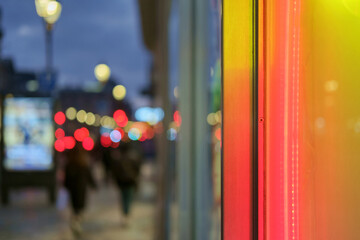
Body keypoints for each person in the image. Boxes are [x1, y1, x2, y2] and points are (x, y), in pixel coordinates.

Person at [64, 143, 96, 236]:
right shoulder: (83, 163)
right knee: (80, 207)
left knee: (75, 207)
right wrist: (93, 185)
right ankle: (77, 222)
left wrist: (66, 186)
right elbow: (89, 176)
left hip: (73, 189)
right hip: (81, 189)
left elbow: (66, 179)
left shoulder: (69, 164)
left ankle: (75, 221)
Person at [110, 142, 142, 227]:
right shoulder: (132, 158)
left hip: (122, 182)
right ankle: (126, 214)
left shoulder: (118, 159)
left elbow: (115, 172)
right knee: (128, 198)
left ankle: (125, 214)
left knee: (123, 198)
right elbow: (137, 169)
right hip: (130, 181)